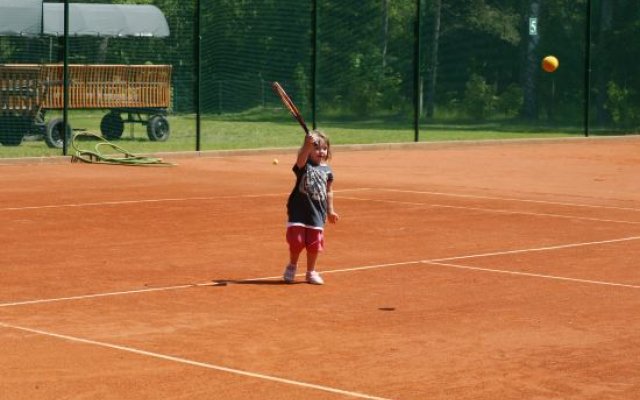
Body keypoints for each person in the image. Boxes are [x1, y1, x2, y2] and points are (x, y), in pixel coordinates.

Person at [283, 130, 339, 285]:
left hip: (317, 212)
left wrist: (330, 210)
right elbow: (300, 159)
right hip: (298, 211)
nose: (320, 151)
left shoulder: (327, 170)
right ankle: (292, 266)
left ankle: (311, 272)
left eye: (324, 148)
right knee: (297, 240)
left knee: (314, 244)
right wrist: (306, 145)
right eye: (316, 147)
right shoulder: (304, 166)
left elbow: (329, 191)